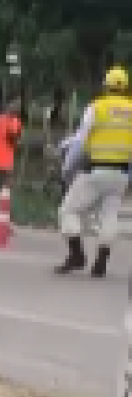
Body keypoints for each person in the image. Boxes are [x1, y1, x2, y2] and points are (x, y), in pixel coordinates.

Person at [54, 67, 132, 278]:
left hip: (96, 170)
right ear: (125, 87)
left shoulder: (97, 108)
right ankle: (101, 263)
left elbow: (80, 140)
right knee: (109, 216)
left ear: (106, 86)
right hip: (122, 174)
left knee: (67, 210)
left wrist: (67, 168)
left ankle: (77, 254)